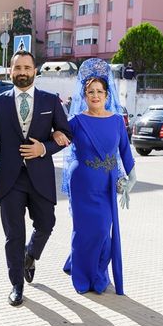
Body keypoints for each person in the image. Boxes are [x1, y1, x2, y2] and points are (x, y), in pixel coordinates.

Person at [0, 51, 72, 307]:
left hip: (40, 176)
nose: (22, 71)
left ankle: (30, 254)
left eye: (27, 67)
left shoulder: (50, 101)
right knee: (13, 235)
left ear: (35, 71)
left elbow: (65, 133)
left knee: (46, 223)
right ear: (10, 71)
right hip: (10, 181)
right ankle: (17, 285)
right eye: (17, 67)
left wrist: (44, 148)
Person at [53, 58, 136, 295]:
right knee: (84, 232)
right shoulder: (76, 122)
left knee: (101, 232)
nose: (96, 95)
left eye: (100, 91)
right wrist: (46, 142)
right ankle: (81, 276)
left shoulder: (117, 121)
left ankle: (97, 273)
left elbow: (125, 153)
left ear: (107, 94)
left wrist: (131, 179)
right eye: (91, 92)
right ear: (85, 94)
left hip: (106, 186)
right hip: (82, 185)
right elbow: (58, 140)